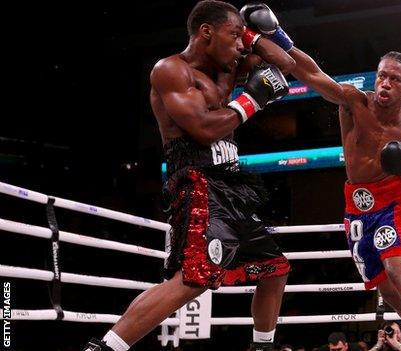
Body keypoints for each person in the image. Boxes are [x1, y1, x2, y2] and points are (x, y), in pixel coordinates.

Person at [238, 4, 401, 351]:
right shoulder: (354, 102)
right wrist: (277, 35)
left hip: (395, 202)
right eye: (382, 75)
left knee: (397, 268)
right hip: (356, 207)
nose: (385, 83)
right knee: (384, 285)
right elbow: (311, 74)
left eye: (395, 79)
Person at [82, 1, 295, 350]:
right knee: (193, 280)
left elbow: (285, 63)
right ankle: (105, 348)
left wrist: (259, 33)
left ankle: (262, 347)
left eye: (242, 38)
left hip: (231, 185)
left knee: (274, 270)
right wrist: (253, 100)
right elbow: (204, 129)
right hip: (198, 180)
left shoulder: (227, 69)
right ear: (206, 33)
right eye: (233, 36)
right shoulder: (170, 70)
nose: (240, 45)